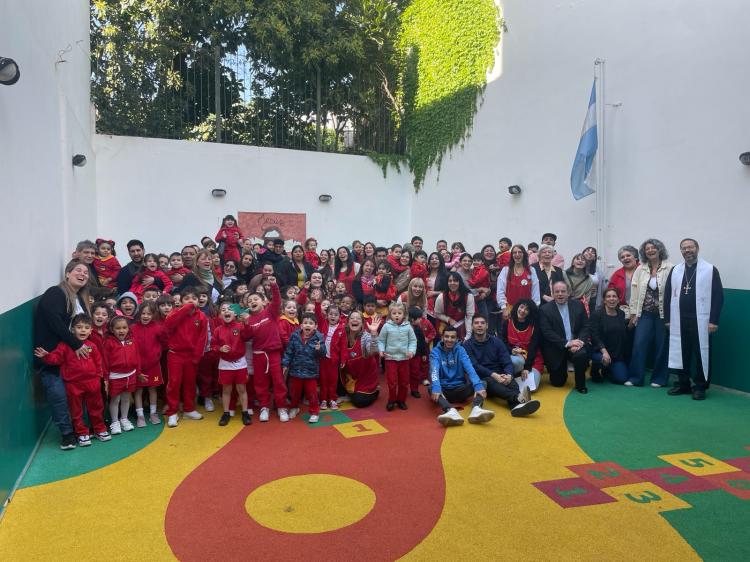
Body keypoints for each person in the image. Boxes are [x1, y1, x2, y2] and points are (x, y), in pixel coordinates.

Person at [34, 259, 93, 449]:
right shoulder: (55, 293)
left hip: (72, 358)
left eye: (86, 272)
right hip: (51, 356)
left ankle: (82, 428)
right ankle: (67, 434)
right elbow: (55, 321)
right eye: (78, 270)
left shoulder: (80, 299)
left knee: (79, 395)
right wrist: (76, 344)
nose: (82, 274)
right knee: (58, 395)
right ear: (67, 273)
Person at [34, 313, 111, 447]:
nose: (83, 330)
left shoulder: (92, 345)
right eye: (79, 327)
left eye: (86, 327)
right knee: (76, 411)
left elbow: (99, 363)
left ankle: (99, 429)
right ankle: (81, 433)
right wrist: (46, 356)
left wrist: (101, 378)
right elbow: (56, 358)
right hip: (73, 384)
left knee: (96, 408)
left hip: (93, 383)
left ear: (90, 330)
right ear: (72, 330)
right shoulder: (64, 346)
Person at [665, 238, 724, 400]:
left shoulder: (710, 270)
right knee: (681, 352)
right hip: (679, 319)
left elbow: (718, 296)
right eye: (683, 248)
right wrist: (668, 319)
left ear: (697, 248)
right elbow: (668, 294)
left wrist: (714, 320)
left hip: (701, 320)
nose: (687, 250)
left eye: (690, 247)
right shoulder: (676, 270)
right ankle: (683, 383)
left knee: (701, 353)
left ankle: (700, 386)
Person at [464, 315, 541, 416]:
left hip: (501, 374)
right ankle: (518, 398)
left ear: (487, 326)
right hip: (483, 378)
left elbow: (506, 360)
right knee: (490, 382)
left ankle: (515, 407)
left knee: (512, 384)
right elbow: (474, 366)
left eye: (482, 323)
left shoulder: (496, 342)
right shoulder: (467, 345)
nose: (479, 325)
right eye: (476, 323)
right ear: (472, 326)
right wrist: (493, 375)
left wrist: (509, 374)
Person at [626, 238, 672, 387]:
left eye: (653, 248)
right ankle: (635, 378)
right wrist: (633, 313)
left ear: (660, 250)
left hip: (663, 315)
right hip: (644, 313)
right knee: (639, 344)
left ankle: (659, 379)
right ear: (644, 253)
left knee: (662, 346)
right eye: (647, 249)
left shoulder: (670, 268)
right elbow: (634, 291)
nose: (650, 250)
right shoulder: (641, 269)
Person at [429, 325, 495, 426]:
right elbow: (434, 370)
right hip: (443, 392)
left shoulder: (461, 350)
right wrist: (437, 387)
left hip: (460, 390)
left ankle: (476, 409)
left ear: (457, 339)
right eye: (446, 336)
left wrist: (477, 385)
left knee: (482, 383)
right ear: (442, 337)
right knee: (431, 387)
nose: (449, 340)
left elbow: (470, 368)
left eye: (452, 337)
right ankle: (450, 411)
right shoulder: (435, 352)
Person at [244, 278, 289, 422]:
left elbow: (277, 300)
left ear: (264, 302)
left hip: (274, 354)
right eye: (249, 301)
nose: (252, 302)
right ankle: (264, 406)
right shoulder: (249, 319)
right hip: (258, 356)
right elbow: (245, 337)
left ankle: (281, 407)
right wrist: (245, 324)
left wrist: (274, 285)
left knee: (278, 381)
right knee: (260, 383)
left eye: (255, 299)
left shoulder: (271, 312)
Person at [163, 287, 209, 427]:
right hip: (175, 355)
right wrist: (186, 308)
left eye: (194, 299)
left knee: (190, 383)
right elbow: (169, 325)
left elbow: (203, 338)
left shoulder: (201, 316)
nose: (191, 301)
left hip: (191, 356)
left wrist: (197, 356)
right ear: (181, 301)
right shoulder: (175, 313)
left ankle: (189, 409)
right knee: (174, 383)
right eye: (187, 299)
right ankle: (172, 412)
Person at [538, 281, 591, 393]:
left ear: (568, 293)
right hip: (557, 348)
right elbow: (547, 332)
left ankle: (580, 385)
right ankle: (562, 369)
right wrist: (567, 343)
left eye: (563, 291)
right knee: (558, 382)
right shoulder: (544, 309)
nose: (560, 294)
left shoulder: (578, 305)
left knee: (581, 355)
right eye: (557, 291)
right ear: (552, 293)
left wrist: (579, 342)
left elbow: (585, 326)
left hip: (576, 344)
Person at [212, 302, 253, 426]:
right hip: (225, 364)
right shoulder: (218, 330)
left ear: (235, 313)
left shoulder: (240, 326)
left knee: (241, 388)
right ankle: (226, 413)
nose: (226, 311)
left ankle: (245, 412)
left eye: (229, 309)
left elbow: (248, 336)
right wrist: (220, 349)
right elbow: (213, 345)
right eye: (223, 309)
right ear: (220, 315)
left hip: (240, 363)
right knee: (226, 389)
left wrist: (246, 323)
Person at [283, 312, 327, 423]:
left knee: (312, 393)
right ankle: (294, 407)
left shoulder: (319, 337)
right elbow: (289, 351)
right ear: (301, 325)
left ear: (316, 326)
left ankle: (314, 412)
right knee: (294, 392)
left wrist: (319, 349)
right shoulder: (295, 336)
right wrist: (285, 363)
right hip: (296, 371)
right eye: (305, 323)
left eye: (311, 323)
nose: (308, 325)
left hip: (310, 372)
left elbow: (323, 354)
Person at [103, 316, 141, 434]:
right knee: (115, 400)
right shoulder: (108, 343)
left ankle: (124, 419)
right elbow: (104, 361)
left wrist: (138, 372)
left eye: (124, 327)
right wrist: (106, 378)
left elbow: (137, 357)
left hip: (130, 375)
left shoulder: (132, 340)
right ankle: (114, 422)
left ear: (128, 328)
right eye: (118, 328)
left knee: (126, 399)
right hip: (115, 376)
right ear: (112, 329)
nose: (121, 330)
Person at [130, 301, 166, 426]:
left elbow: (163, 342)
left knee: (152, 389)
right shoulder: (133, 328)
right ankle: (140, 416)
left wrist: (157, 355)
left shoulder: (158, 328)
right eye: (143, 313)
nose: (145, 316)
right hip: (138, 366)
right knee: (138, 390)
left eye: (149, 314)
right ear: (139, 313)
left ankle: (153, 413)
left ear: (153, 315)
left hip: (154, 366)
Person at [378, 302, 417, 411]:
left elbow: (413, 341)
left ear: (404, 315)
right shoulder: (386, 326)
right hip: (390, 358)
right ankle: (391, 400)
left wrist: (411, 351)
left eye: (399, 313)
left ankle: (401, 400)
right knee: (392, 382)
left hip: (404, 359)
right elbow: (381, 340)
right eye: (394, 313)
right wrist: (381, 350)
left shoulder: (408, 327)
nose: (397, 315)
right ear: (390, 314)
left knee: (404, 382)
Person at [339, 311, 382, 408]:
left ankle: (375, 391)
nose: (355, 320)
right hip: (350, 376)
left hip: (365, 378)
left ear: (362, 323)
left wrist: (374, 333)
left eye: (358, 318)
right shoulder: (342, 334)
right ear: (347, 322)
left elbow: (373, 351)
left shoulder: (365, 336)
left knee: (359, 402)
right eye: (352, 318)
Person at [502, 300, 544, 393]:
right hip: (515, 358)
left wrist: (527, 368)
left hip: (532, 360)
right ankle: (512, 376)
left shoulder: (534, 326)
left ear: (530, 313)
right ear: (517, 307)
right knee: (516, 362)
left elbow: (533, 348)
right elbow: (502, 342)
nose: (522, 310)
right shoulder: (507, 322)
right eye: (521, 307)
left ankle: (514, 378)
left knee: (531, 388)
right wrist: (511, 350)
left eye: (526, 309)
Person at [590, 288, 630, 384]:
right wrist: (604, 352)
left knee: (622, 379)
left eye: (614, 296)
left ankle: (607, 370)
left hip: (616, 355)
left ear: (618, 299)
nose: (611, 299)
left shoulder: (621, 314)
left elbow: (623, 333)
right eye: (608, 296)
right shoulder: (597, 315)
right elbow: (594, 336)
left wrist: (631, 324)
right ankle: (595, 370)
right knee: (600, 359)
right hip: (600, 352)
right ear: (604, 300)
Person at [497, 244, 540, 320]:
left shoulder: (531, 270)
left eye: (520, 252)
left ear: (524, 254)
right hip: (509, 310)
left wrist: (534, 307)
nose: (517, 254)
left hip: (526, 310)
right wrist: (504, 308)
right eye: (514, 252)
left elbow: (535, 292)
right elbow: (500, 291)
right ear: (512, 255)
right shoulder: (506, 270)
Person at [434, 272, 476, 340]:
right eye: (450, 281)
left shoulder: (468, 296)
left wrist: (468, 336)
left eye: (455, 281)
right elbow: (437, 313)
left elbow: (469, 316)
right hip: (446, 325)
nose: (452, 283)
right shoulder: (441, 297)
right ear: (447, 283)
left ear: (460, 282)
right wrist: (448, 319)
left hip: (463, 325)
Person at [607, 245, 639, 312]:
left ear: (635, 257)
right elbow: (610, 293)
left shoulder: (644, 271)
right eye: (622, 257)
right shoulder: (616, 274)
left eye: (628, 255)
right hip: (623, 310)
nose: (625, 258)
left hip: (642, 310)